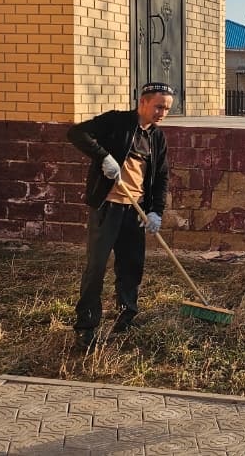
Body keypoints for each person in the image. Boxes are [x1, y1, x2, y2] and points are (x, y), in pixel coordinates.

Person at [67, 82, 175, 350]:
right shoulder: (116, 122)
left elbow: (160, 177)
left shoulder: (156, 138)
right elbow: (77, 133)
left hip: (135, 210)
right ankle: (86, 325)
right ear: (143, 103)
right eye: (158, 106)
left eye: (167, 109)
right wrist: (103, 157)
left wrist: (155, 211)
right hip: (108, 207)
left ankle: (126, 314)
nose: (162, 113)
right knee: (96, 266)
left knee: (131, 265)